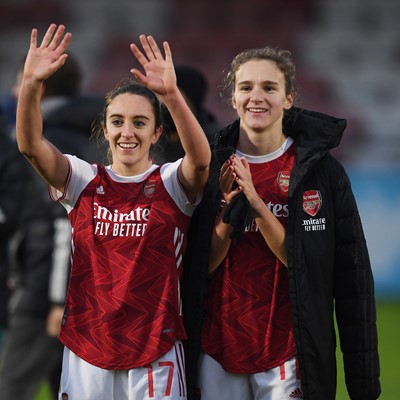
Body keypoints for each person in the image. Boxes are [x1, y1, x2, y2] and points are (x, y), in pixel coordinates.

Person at [15, 23, 210, 400]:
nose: (127, 133)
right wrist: (31, 83)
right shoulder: (82, 179)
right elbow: (30, 146)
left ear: (156, 133)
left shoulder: (171, 182)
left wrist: (171, 96)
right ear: (104, 129)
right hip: (88, 352)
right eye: (118, 122)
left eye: (140, 123)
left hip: (156, 351)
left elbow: (201, 163)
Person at [180, 46, 381, 399]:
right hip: (216, 349)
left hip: (289, 353)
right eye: (246, 87)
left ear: (288, 98)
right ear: (233, 98)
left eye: (269, 88)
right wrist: (229, 214)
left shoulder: (322, 172)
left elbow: (345, 275)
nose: (256, 97)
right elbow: (201, 266)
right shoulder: (209, 168)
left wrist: (256, 203)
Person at [0, 51, 105, 399]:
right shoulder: (95, 137)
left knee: (14, 387)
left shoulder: (42, 144)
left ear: (38, 89)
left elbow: (65, 223)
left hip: (47, 288)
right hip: (90, 287)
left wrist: (58, 298)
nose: (16, 92)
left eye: (22, 82)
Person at [156, 65, 221, 164]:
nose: (162, 101)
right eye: (158, 94)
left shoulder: (216, 143)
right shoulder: (150, 136)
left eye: (170, 94)